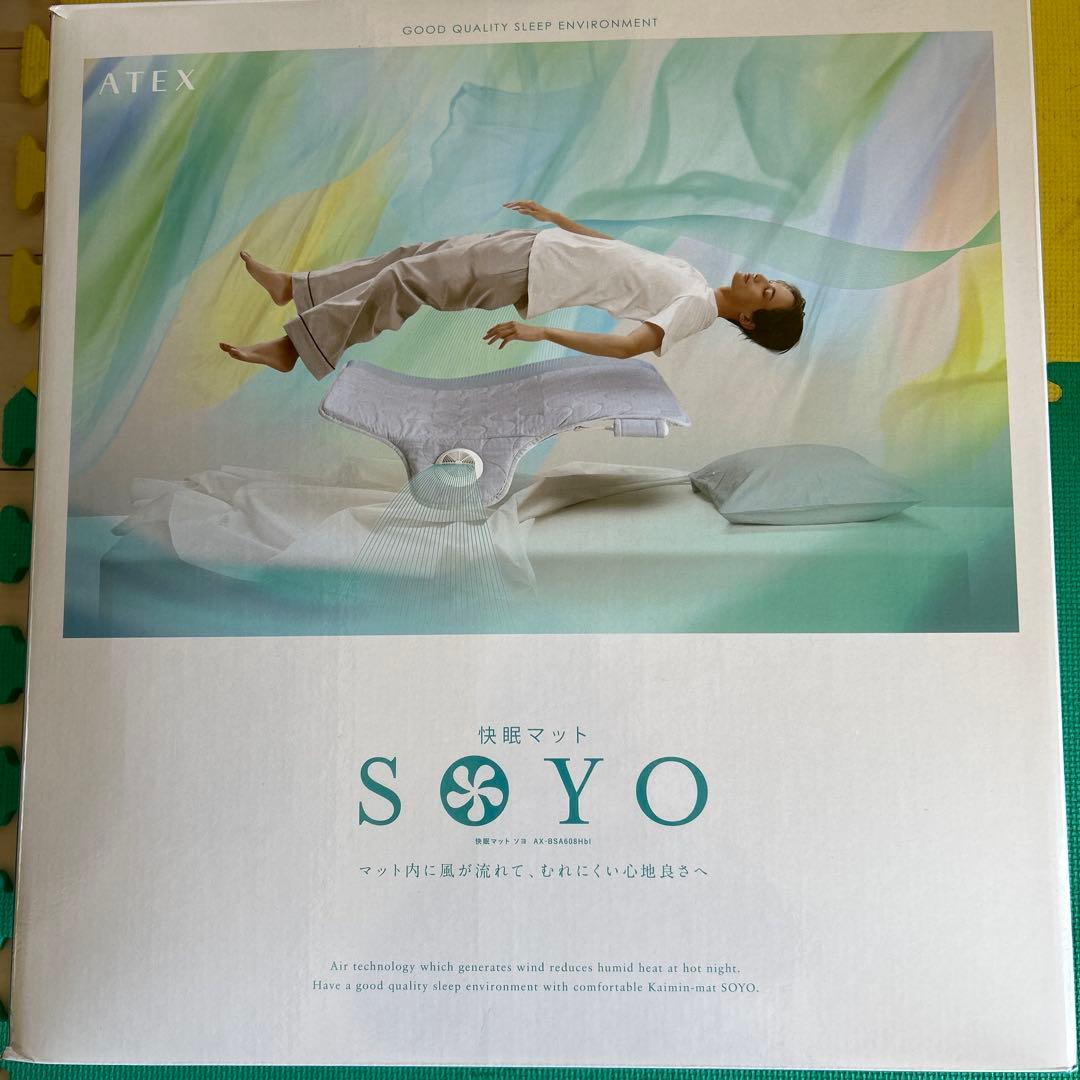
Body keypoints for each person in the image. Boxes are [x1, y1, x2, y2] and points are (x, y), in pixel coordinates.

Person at [219, 200, 806, 380]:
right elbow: (617, 253)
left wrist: (540, 332)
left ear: (749, 320)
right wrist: (559, 220)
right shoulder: (696, 280)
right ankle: (297, 288)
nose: (760, 280)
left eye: (767, 294)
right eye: (770, 281)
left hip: (527, 273)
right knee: (410, 257)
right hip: (535, 246)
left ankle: (295, 349)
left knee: (405, 281)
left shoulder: (696, 307)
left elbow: (629, 347)